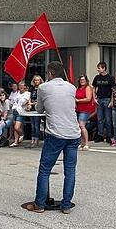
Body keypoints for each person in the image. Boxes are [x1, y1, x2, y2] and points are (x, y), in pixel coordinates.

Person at [21, 62, 81, 214]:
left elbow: (39, 109)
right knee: (70, 171)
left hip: (56, 133)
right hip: (73, 132)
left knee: (45, 169)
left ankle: (40, 204)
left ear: (50, 73)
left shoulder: (43, 87)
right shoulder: (72, 87)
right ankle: (66, 205)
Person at [92, 62, 113, 142]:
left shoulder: (110, 78)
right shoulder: (97, 77)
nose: (98, 69)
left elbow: (113, 90)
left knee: (108, 119)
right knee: (99, 119)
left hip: (107, 99)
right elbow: (94, 87)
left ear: (104, 68)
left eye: (99, 68)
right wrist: (94, 98)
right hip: (99, 100)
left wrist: (111, 101)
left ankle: (108, 136)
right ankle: (100, 135)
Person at [75, 75, 96, 151]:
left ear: (86, 81)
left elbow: (88, 98)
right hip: (78, 109)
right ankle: (82, 143)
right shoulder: (78, 88)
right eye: (81, 80)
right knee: (79, 127)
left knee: (82, 125)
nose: (82, 81)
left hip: (85, 110)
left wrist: (78, 100)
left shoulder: (88, 88)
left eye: (83, 80)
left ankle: (86, 143)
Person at [10, 82, 31, 147]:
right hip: (14, 110)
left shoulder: (27, 93)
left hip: (21, 112)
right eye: (19, 85)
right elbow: (13, 101)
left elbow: (25, 102)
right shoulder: (17, 93)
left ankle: (22, 135)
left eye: (22, 86)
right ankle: (16, 142)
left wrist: (28, 105)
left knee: (17, 127)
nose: (21, 87)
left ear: (25, 87)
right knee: (15, 127)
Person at [26, 76, 44, 148]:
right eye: (35, 80)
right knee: (32, 125)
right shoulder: (31, 89)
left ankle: (36, 140)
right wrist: (29, 103)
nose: (36, 81)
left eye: (38, 80)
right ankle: (32, 140)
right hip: (32, 109)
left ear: (40, 81)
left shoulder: (41, 89)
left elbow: (41, 100)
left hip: (38, 109)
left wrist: (32, 103)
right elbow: (29, 97)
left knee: (36, 125)